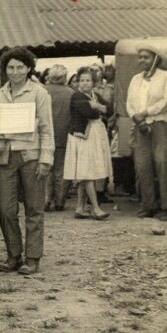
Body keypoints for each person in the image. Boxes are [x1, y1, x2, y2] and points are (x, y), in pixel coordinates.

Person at [0, 47, 54, 275]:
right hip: (6, 156)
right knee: (6, 209)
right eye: (11, 67)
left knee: (34, 208)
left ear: (29, 69)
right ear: (5, 69)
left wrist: (46, 159)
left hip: (31, 156)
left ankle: (33, 257)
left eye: (20, 67)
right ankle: (13, 255)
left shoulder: (39, 93)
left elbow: (47, 129)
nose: (15, 72)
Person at [126, 43, 167, 221]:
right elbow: (129, 103)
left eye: (146, 57)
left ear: (155, 59)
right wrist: (137, 118)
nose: (142, 60)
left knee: (163, 163)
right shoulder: (135, 79)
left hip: (162, 124)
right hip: (141, 125)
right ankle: (148, 205)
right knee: (142, 165)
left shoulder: (166, 76)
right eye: (140, 57)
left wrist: (146, 113)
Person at [63, 67, 113, 220]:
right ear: (78, 82)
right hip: (82, 137)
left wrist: (97, 106)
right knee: (87, 171)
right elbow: (90, 113)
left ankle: (80, 207)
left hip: (93, 136)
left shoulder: (93, 95)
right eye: (82, 80)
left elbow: (110, 109)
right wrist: (98, 107)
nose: (85, 83)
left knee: (85, 172)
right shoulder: (76, 96)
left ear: (93, 82)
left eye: (88, 80)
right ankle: (96, 208)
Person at [42, 64, 73, 211]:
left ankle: (46, 200)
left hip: (46, 136)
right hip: (64, 136)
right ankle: (60, 201)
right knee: (61, 170)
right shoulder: (71, 93)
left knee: (47, 169)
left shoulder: (42, 91)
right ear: (64, 77)